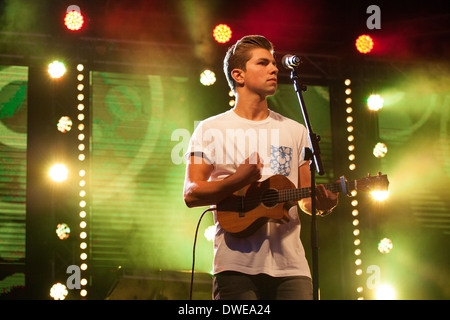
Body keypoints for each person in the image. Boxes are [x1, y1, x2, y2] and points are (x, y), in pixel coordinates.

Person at [183, 35, 338, 300]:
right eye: (263, 63)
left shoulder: (295, 130)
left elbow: (304, 199)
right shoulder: (210, 129)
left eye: (274, 64)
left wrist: (323, 204)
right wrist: (237, 180)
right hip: (235, 267)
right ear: (238, 75)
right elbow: (192, 193)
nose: (275, 69)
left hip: (292, 268)